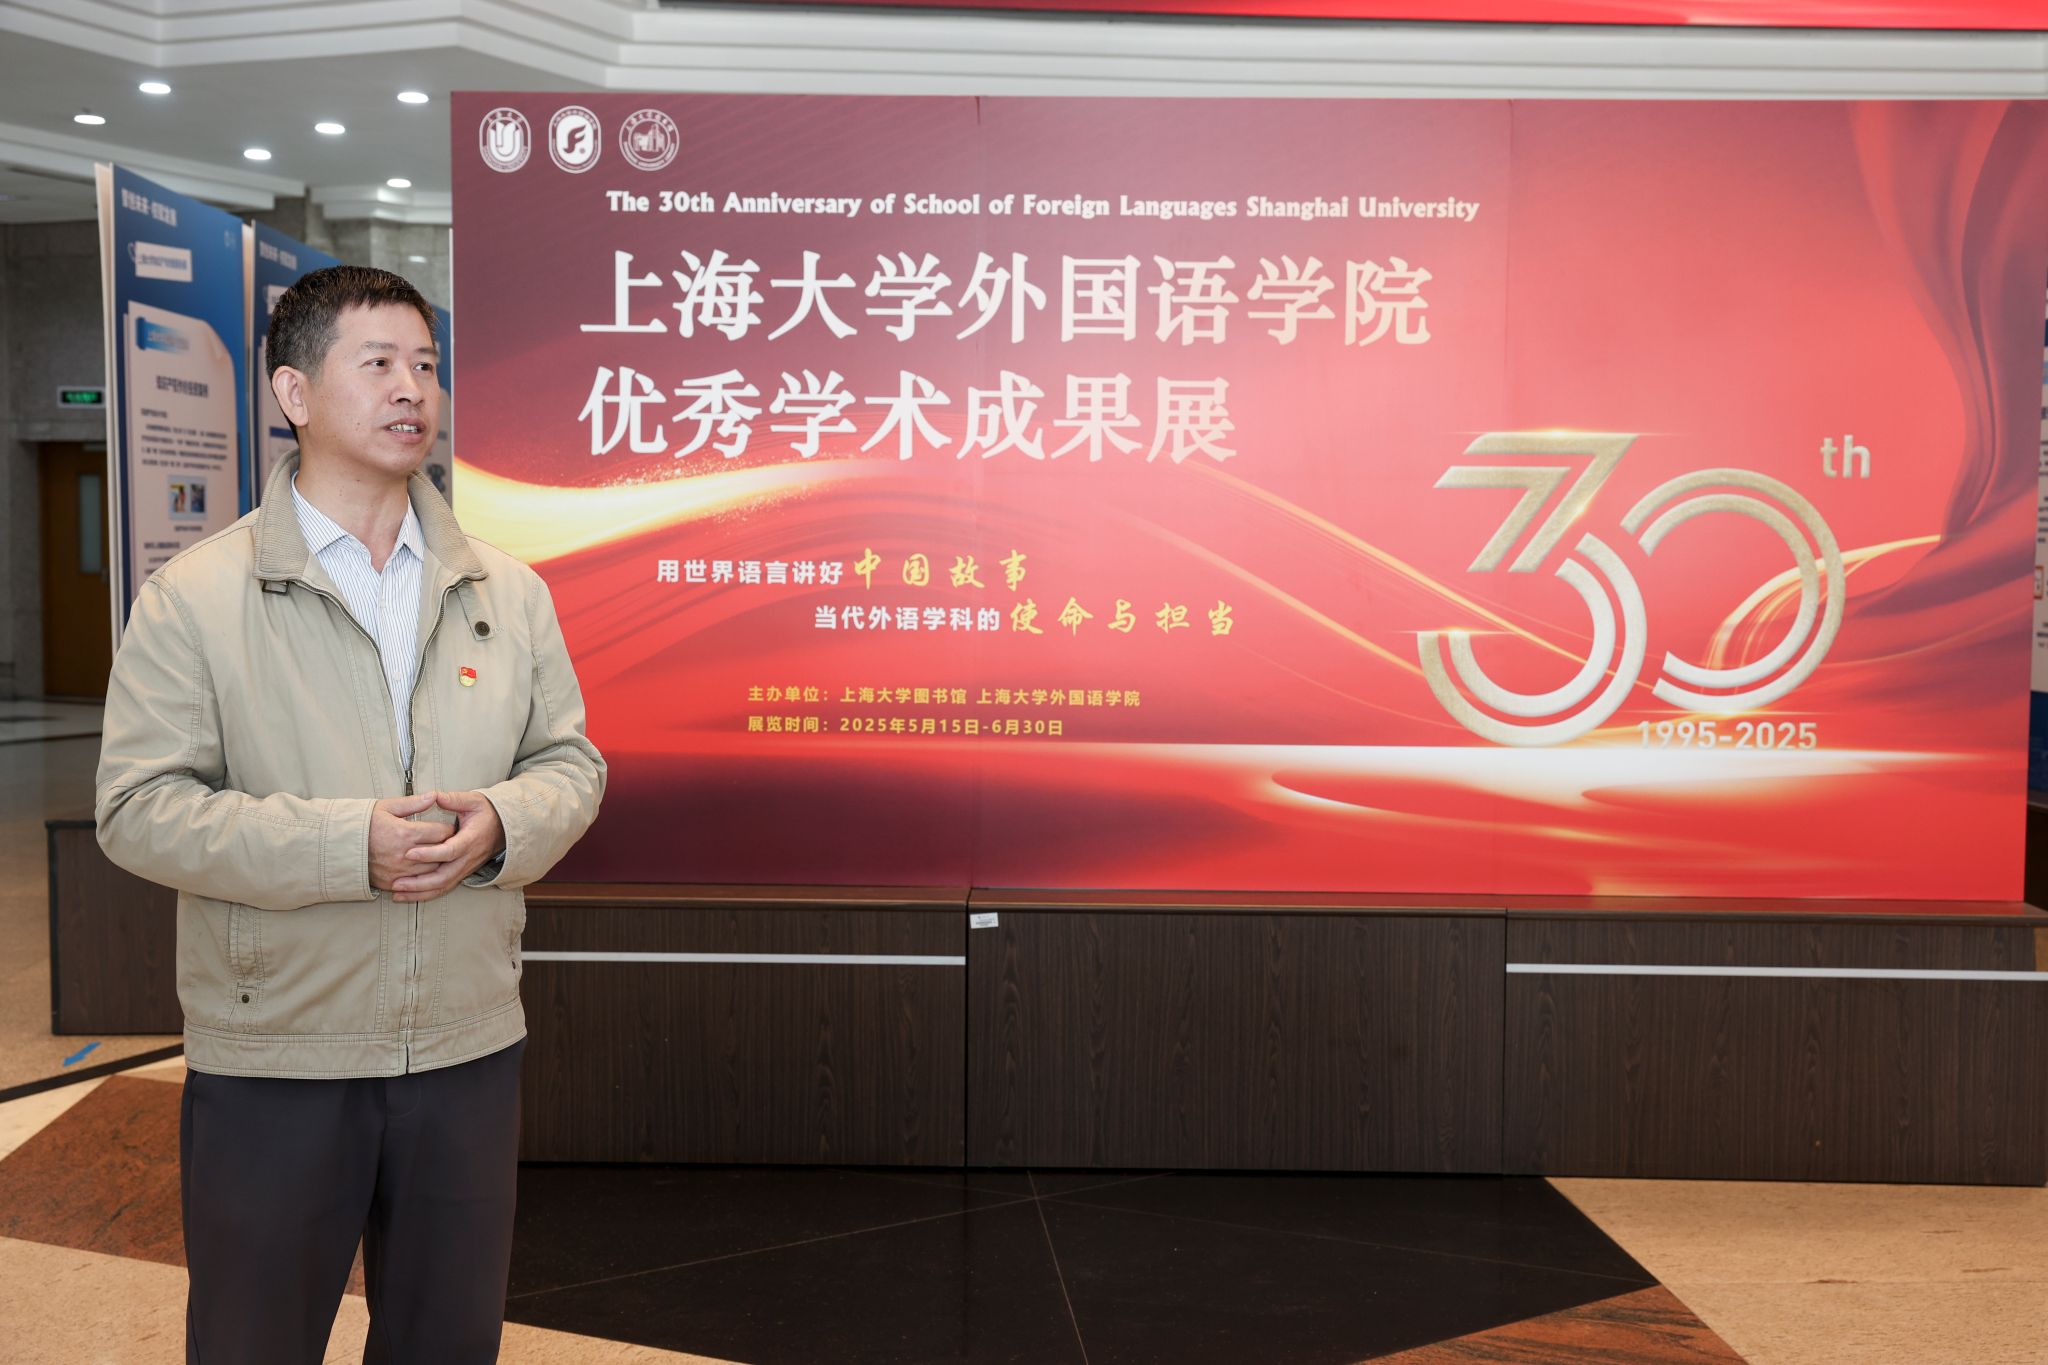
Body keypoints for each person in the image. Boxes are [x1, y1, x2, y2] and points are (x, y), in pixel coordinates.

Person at [95, 265, 605, 1364]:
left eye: (425, 364)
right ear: (294, 392)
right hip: (278, 1051)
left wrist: (501, 824)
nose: (411, 388)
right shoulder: (197, 596)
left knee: (446, 1340)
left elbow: (569, 763)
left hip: (466, 1044)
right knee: (255, 1341)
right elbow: (137, 808)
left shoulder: (505, 592)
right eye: (376, 363)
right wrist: (345, 847)